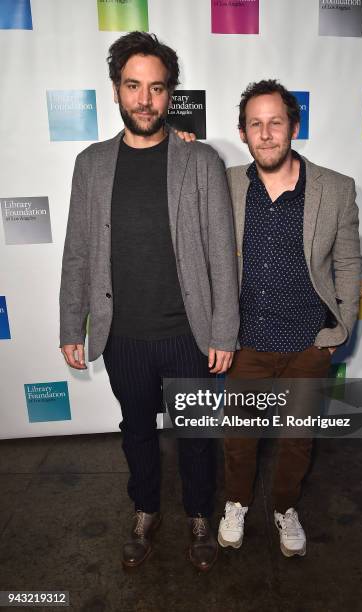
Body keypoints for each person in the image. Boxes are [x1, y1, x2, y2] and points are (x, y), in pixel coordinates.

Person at [59, 31, 239, 572]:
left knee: (197, 438)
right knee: (136, 431)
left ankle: (200, 516)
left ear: (170, 94)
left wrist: (223, 333)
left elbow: (220, 255)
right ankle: (145, 510)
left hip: (189, 336)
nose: (145, 99)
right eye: (133, 86)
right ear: (115, 91)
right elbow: (77, 252)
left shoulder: (200, 161)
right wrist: (73, 324)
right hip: (124, 336)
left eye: (156, 88)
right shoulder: (90, 164)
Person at [216, 79, 362, 557]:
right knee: (239, 440)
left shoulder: (336, 189)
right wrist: (180, 143)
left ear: (293, 126)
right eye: (255, 124)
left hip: (307, 342)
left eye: (275, 122)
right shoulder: (227, 183)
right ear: (242, 133)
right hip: (246, 342)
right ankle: (236, 503)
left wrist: (341, 327)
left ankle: (284, 507)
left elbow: (347, 262)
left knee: (297, 441)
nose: (266, 133)